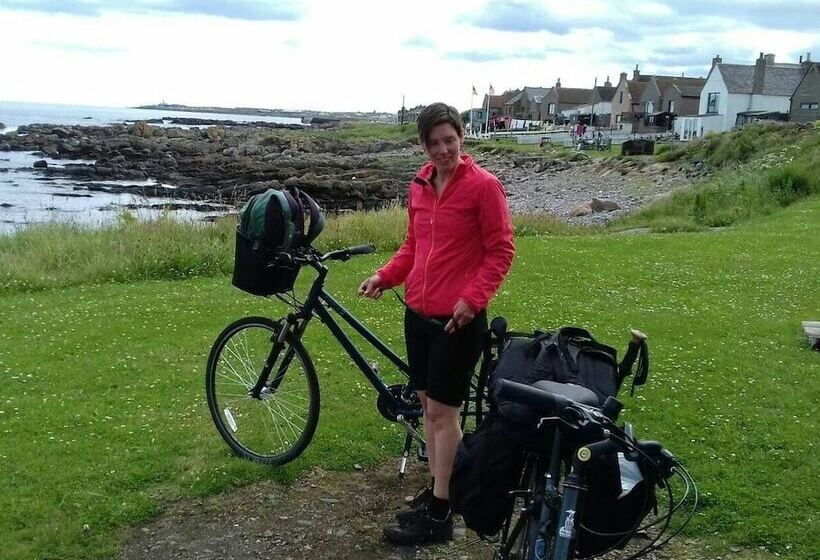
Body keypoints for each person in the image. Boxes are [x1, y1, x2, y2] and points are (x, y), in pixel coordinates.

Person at [359, 102, 515, 545]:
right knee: (429, 410)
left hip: (457, 322)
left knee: (445, 415)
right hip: (418, 316)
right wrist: (385, 276)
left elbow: (501, 250)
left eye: (450, 140)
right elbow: (413, 247)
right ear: (423, 145)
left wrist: (472, 299)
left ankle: (441, 514)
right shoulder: (420, 184)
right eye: (434, 143)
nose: (444, 150)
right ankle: (439, 489)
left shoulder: (484, 187)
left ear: (461, 137)